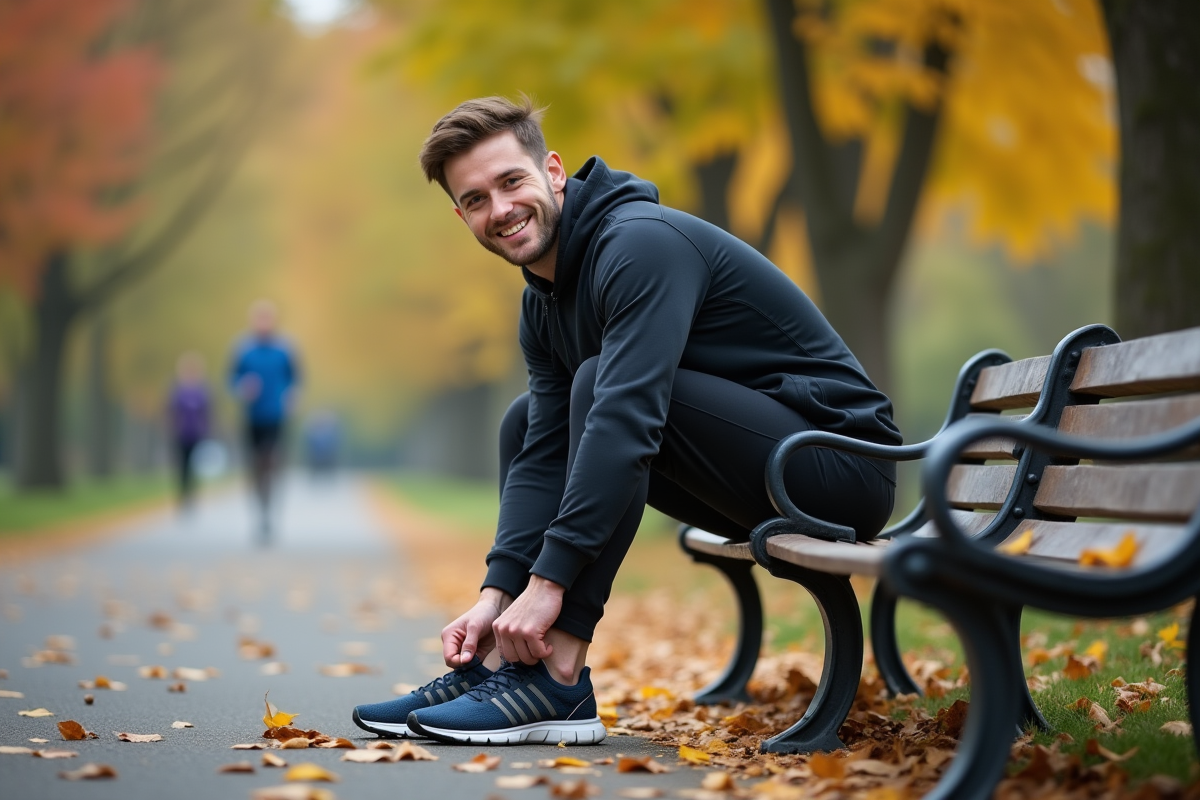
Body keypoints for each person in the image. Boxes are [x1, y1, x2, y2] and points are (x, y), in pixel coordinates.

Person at [352, 96, 900, 745]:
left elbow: (627, 417)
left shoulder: (639, 245)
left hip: (839, 464)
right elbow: (543, 450)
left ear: (552, 171)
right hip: (754, 471)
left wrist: (550, 582)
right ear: (460, 214)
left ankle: (557, 671)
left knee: (603, 390)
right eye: (475, 200)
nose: (499, 210)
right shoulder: (543, 304)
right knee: (527, 422)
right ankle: (502, 663)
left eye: (510, 182)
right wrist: (498, 596)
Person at [229, 300, 300, 537]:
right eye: (259, 319)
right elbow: (231, 379)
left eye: (267, 318)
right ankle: (260, 509)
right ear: (253, 322)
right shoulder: (242, 349)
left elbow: (296, 379)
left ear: (273, 321)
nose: (263, 323)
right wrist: (242, 388)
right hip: (252, 415)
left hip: (276, 413)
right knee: (255, 464)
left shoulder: (285, 349)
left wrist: (291, 395)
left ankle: (269, 510)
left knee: (271, 459)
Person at [166, 351, 211, 512]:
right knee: (182, 467)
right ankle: (182, 496)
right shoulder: (177, 390)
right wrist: (173, 427)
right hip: (181, 434)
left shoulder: (202, 391)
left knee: (194, 467)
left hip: (197, 435)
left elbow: (207, 412)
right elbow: (171, 411)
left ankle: (192, 496)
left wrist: (206, 429)